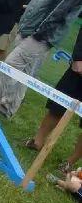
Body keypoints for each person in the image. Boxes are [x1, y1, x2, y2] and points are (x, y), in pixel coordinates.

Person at [23, 23, 82, 161]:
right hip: (78, 70)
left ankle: (69, 163)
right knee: (57, 105)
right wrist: (78, 58)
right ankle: (37, 141)